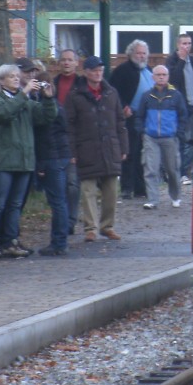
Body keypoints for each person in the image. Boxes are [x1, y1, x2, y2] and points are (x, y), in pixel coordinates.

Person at [0, 61, 55, 259]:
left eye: (16, 76)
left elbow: (45, 118)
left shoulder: (26, 102)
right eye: (12, 76)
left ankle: (10, 241)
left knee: (15, 204)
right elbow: (4, 114)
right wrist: (24, 93)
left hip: (24, 161)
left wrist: (48, 100)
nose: (16, 79)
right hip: (4, 162)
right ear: (2, 81)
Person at [65, 55, 128, 241]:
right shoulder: (75, 95)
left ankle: (107, 226)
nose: (98, 73)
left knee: (111, 190)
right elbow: (69, 126)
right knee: (88, 190)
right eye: (94, 70)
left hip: (110, 147)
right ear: (86, 72)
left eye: (100, 70)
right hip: (86, 148)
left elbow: (120, 121)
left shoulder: (111, 93)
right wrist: (72, 152)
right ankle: (90, 228)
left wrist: (123, 146)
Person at [29, 61, 71, 256]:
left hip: (51, 156)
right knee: (60, 200)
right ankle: (60, 240)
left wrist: (41, 163)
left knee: (57, 201)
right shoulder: (58, 105)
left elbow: (43, 136)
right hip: (61, 155)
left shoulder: (46, 107)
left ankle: (59, 242)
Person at [136, 65, 188, 209]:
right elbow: (139, 116)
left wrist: (179, 133)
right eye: (158, 74)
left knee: (172, 169)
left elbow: (183, 115)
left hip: (170, 138)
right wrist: (142, 132)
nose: (161, 77)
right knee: (150, 169)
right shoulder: (146, 96)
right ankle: (153, 200)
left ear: (168, 77)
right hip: (151, 137)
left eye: (163, 74)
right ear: (153, 77)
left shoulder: (176, 95)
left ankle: (176, 197)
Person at [109, 39, 153, 199]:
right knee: (129, 152)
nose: (141, 56)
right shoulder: (122, 70)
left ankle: (141, 188)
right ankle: (127, 188)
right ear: (131, 54)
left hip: (148, 118)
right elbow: (113, 91)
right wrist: (123, 106)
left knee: (145, 153)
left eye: (144, 53)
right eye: (138, 53)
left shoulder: (149, 70)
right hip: (130, 117)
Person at [53, 49, 83, 233]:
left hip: (74, 137)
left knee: (73, 183)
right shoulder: (53, 83)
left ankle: (71, 220)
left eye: (70, 60)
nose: (66, 63)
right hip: (56, 136)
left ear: (76, 63)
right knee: (59, 184)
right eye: (63, 60)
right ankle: (62, 219)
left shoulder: (82, 84)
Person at [166, 33, 193, 184]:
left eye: (189, 43)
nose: (187, 46)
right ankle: (181, 173)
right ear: (178, 45)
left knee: (192, 139)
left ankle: (189, 171)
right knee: (182, 139)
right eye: (184, 43)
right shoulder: (172, 60)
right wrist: (181, 60)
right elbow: (173, 79)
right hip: (179, 107)